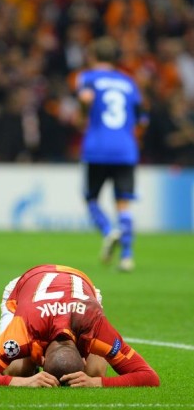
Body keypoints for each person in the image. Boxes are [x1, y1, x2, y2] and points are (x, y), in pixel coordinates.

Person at [0, 264, 160, 387]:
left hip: (81, 291)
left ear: (84, 354)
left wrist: (95, 382)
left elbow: (149, 377)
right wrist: (22, 382)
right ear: (41, 357)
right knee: (16, 370)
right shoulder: (22, 331)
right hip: (23, 291)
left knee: (96, 371)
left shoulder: (96, 326)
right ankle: (29, 371)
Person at [75, 36, 148, 272]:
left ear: (92, 56)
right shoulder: (129, 82)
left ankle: (108, 231)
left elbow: (85, 100)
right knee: (123, 204)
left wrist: (82, 114)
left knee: (91, 198)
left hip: (97, 147)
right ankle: (127, 257)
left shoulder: (87, 78)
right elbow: (142, 118)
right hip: (125, 148)